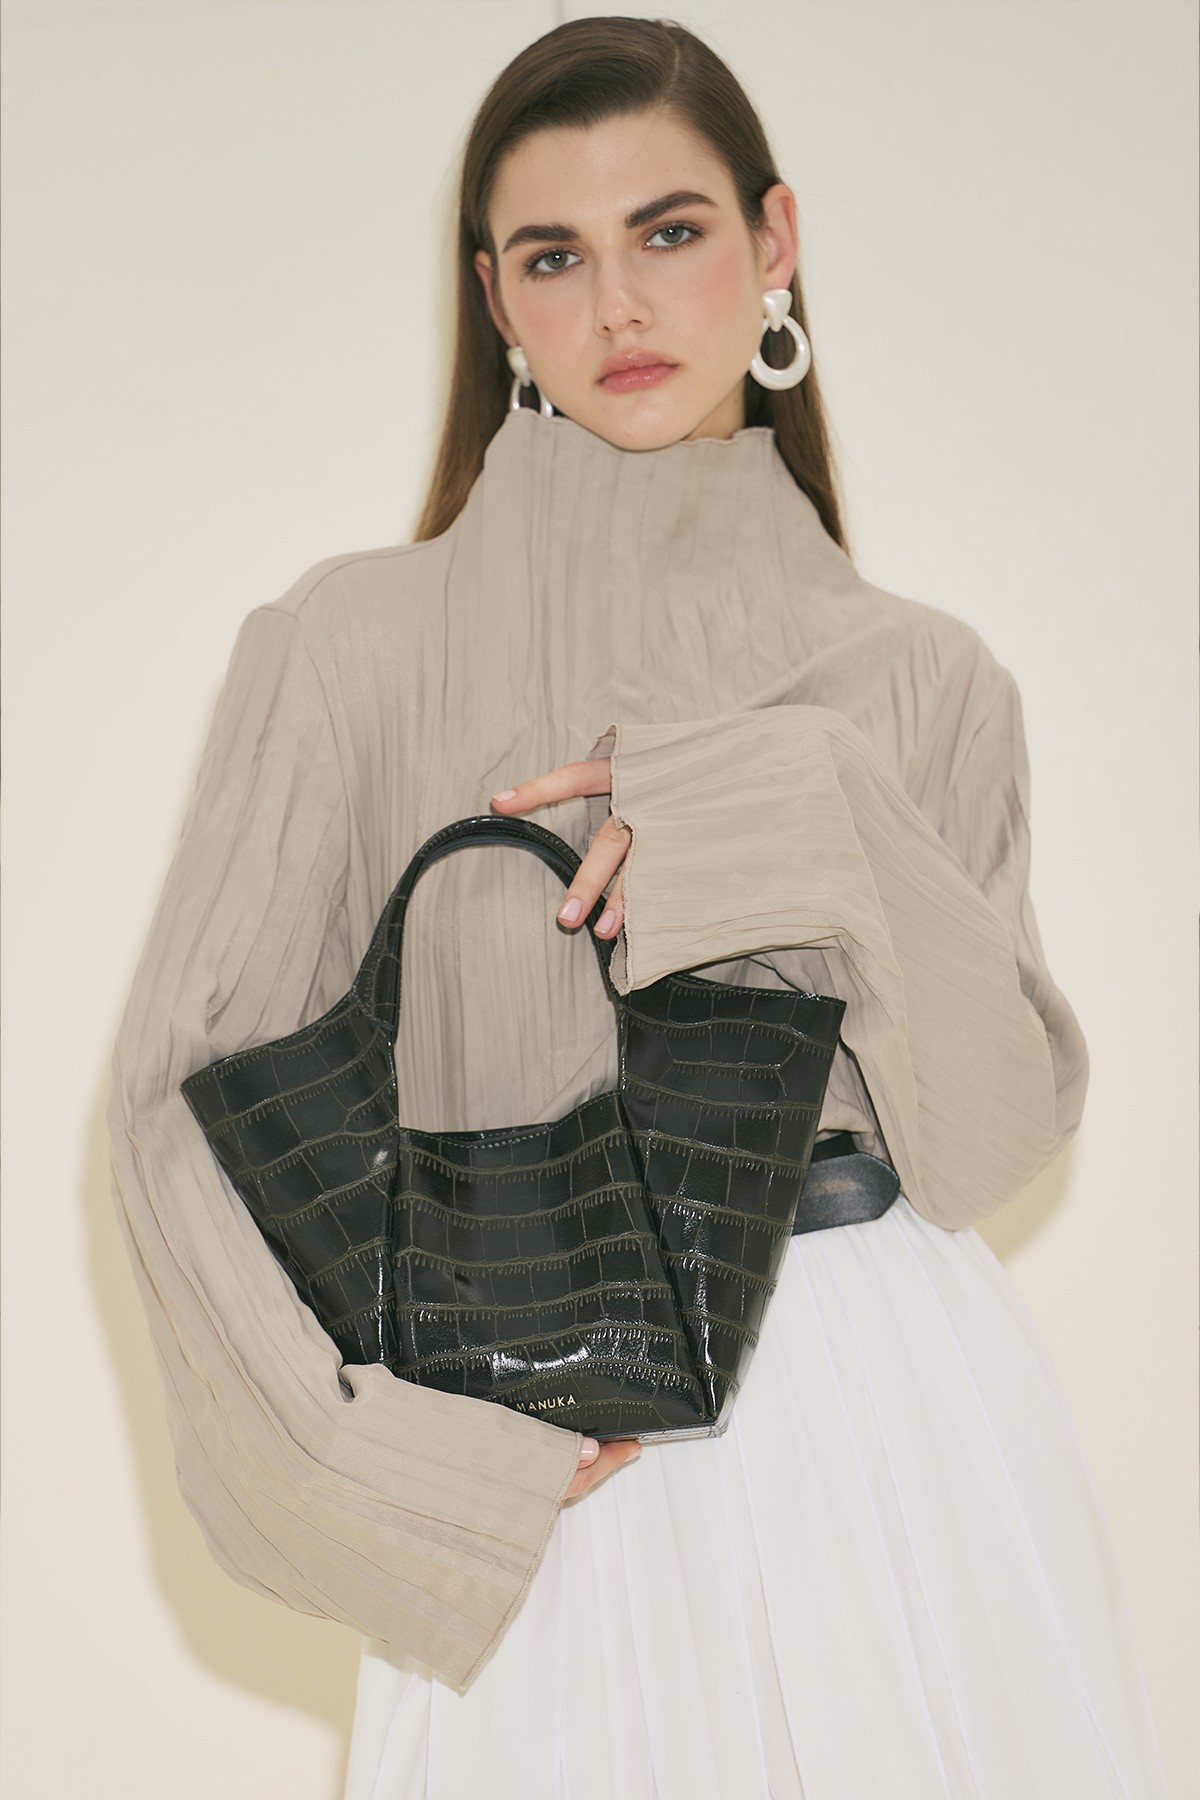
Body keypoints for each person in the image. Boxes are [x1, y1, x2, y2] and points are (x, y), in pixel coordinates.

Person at [107, 16, 1170, 1799]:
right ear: (495, 301)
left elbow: (991, 1141)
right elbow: (175, 1117)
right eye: (554, 256)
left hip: (891, 1432)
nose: (618, 305)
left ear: (774, 241)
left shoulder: (925, 682)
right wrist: (400, 1476)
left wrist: (807, 805)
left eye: (669, 232)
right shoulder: (350, 649)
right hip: (541, 1457)